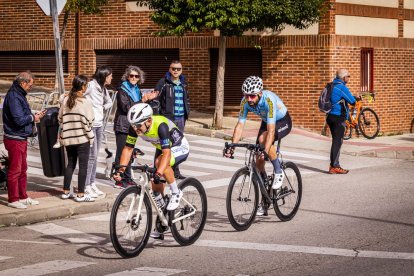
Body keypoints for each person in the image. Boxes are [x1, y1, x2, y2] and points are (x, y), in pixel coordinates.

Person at [114, 102, 190, 238]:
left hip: (179, 146)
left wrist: (159, 172)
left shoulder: (160, 125)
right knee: (156, 189)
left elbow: (166, 154)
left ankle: (176, 192)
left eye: (138, 126)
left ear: (149, 121)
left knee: (159, 163)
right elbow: (128, 149)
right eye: (133, 125)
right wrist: (120, 171)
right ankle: (163, 219)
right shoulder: (136, 127)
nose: (135, 129)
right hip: (162, 148)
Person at [223, 76, 292, 216]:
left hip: (282, 121)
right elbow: (240, 125)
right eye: (246, 96)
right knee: (258, 160)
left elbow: (271, 130)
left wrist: (266, 150)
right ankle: (265, 198)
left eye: (252, 96)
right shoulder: (245, 102)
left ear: (260, 93)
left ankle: (278, 171)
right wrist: (232, 146)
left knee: (263, 140)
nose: (249, 99)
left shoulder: (269, 101)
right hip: (266, 122)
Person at [2, 71, 46, 209]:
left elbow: (22, 114)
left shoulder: (18, 94)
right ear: (23, 83)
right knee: (15, 170)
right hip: (14, 137)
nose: (31, 88)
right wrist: (33, 118)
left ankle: (23, 196)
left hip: (20, 137)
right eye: (30, 85)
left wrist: (33, 115)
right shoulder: (14, 96)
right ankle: (13, 199)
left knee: (22, 169)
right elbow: (18, 119)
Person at [113, 65, 158, 188]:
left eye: (136, 76)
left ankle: (127, 177)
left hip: (132, 126)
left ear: (139, 78)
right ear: (127, 77)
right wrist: (143, 101)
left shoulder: (137, 90)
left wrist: (148, 99)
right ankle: (119, 179)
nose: (133, 78)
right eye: (131, 76)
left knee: (130, 152)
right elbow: (127, 108)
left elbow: (139, 108)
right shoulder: (122, 90)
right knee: (122, 152)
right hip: (123, 125)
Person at [58, 75, 95, 202]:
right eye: (87, 85)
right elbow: (90, 120)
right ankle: (80, 194)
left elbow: (60, 118)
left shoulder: (65, 100)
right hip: (82, 138)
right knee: (83, 166)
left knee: (71, 164)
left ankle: (65, 191)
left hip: (68, 138)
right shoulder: (86, 102)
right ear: (83, 86)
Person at [155, 60, 190, 179]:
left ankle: (175, 171)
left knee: (177, 144)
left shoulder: (183, 83)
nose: (175, 71)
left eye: (178, 69)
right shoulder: (163, 82)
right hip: (167, 118)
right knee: (163, 144)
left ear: (181, 70)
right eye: (173, 68)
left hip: (180, 118)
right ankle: (157, 169)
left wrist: (186, 112)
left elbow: (187, 99)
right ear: (169, 69)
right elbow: (156, 100)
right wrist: (158, 116)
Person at [84, 65, 113, 197]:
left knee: (95, 156)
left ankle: (92, 182)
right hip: (90, 125)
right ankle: (86, 185)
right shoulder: (90, 85)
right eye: (110, 75)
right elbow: (78, 96)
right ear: (104, 76)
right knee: (91, 156)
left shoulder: (103, 88)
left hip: (99, 125)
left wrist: (102, 107)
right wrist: (87, 109)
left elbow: (110, 102)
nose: (111, 77)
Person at [326, 69, 356, 174]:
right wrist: (356, 99)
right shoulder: (342, 87)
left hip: (330, 116)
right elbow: (352, 101)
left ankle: (334, 165)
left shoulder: (331, 85)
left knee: (336, 140)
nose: (349, 78)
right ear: (343, 78)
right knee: (337, 142)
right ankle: (334, 166)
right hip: (338, 117)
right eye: (348, 76)